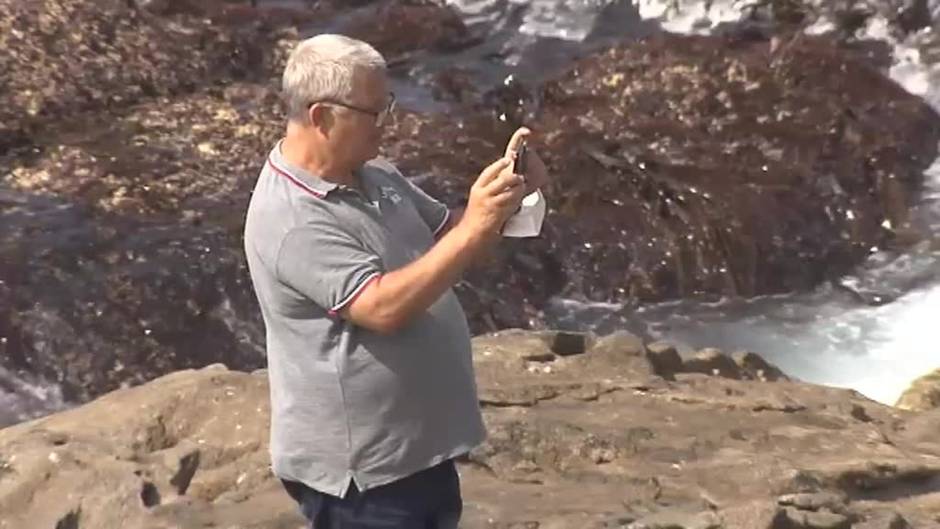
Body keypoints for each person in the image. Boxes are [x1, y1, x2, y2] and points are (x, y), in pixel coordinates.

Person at [243, 34, 548, 529]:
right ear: (322, 117)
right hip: (364, 478)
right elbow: (381, 308)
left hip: (421, 450)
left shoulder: (373, 174)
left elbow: (450, 237)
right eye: (376, 111)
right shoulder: (291, 219)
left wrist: (507, 200)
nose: (389, 122)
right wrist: (474, 226)